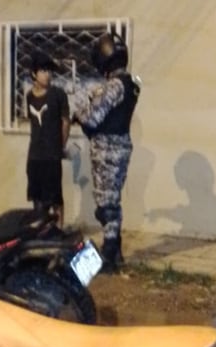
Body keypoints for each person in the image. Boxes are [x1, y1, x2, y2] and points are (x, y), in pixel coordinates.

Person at [71, 33, 140, 272]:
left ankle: (109, 255)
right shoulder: (131, 83)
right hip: (120, 146)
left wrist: (79, 110)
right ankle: (115, 251)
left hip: (107, 150)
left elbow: (92, 119)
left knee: (105, 206)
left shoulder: (114, 85)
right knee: (112, 202)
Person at [25, 51, 70, 227]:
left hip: (52, 155)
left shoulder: (58, 94)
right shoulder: (29, 96)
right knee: (37, 197)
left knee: (55, 197)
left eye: (49, 71)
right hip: (34, 155)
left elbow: (65, 122)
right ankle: (41, 230)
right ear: (34, 73)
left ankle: (59, 230)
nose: (48, 74)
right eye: (43, 70)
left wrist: (60, 146)